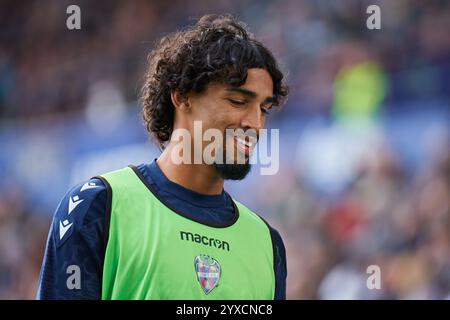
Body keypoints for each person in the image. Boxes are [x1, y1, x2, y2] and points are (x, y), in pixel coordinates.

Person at [37, 14, 288, 300]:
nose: (255, 124)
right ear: (182, 97)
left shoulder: (266, 244)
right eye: (238, 101)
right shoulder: (98, 206)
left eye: (264, 109)